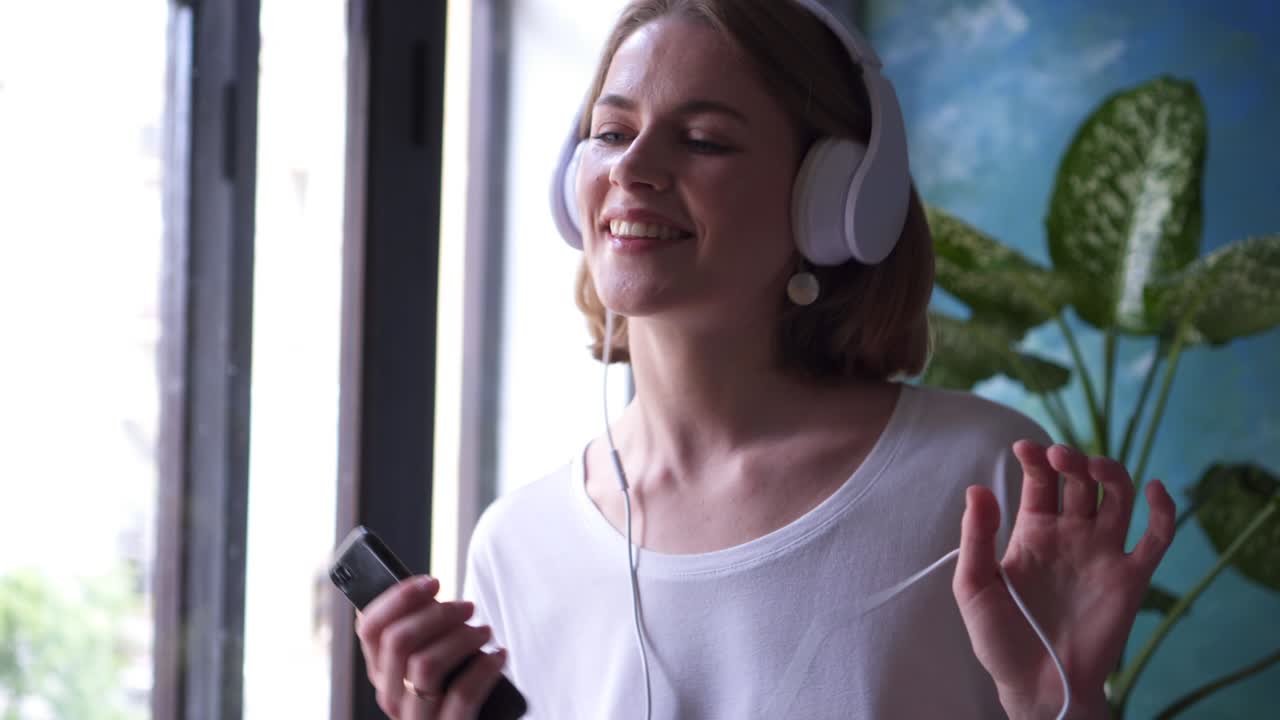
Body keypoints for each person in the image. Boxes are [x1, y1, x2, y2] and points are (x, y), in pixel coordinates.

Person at [354, 1, 1176, 718]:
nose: (633, 168)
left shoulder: (979, 485)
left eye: (704, 141)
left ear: (835, 201)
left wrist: (1055, 705)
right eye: (610, 133)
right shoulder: (518, 545)